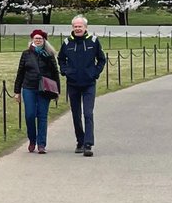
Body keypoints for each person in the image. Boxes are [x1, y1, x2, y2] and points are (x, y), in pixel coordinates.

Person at [57, 15, 107, 157]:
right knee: (76, 114)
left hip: (89, 83)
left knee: (88, 113)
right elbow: (61, 59)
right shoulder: (67, 43)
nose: (78, 28)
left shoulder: (93, 41)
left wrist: (95, 73)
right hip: (73, 83)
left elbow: (101, 59)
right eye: (75, 26)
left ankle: (88, 144)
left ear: (85, 27)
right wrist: (65, 71)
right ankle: (80, 140)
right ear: (72, 28)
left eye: (80, 26)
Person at [13, 28, 60, 153]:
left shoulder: (49, 55)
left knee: (42, 116)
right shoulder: (26, 54)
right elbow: (20, 72)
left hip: (44, 89)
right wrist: (17, 91)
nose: (38, 40)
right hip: (29, 87)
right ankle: (32, 140)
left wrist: (57, 91)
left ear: (44, 40)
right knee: (30, 115)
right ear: (32, 40)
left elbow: (55, 73)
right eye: (36, 38)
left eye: (40, 38)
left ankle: (41, 144)